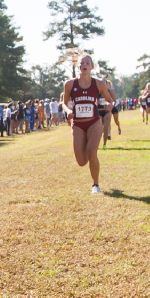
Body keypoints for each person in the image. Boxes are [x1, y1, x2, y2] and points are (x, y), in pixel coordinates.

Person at [61, 53, 113, 194]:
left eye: (87, 63)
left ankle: (95, 185)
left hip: (94, 122)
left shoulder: (99, 84)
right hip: (77, 123)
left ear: (92, 66)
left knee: (92, 153)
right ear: (78, 66)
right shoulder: (70, 84)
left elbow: (110, 100)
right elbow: (64, 103)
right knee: (81, 161)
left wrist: (109, 105)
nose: (84, 65)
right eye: (82, 63)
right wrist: (67, 111)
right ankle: (85, 144)